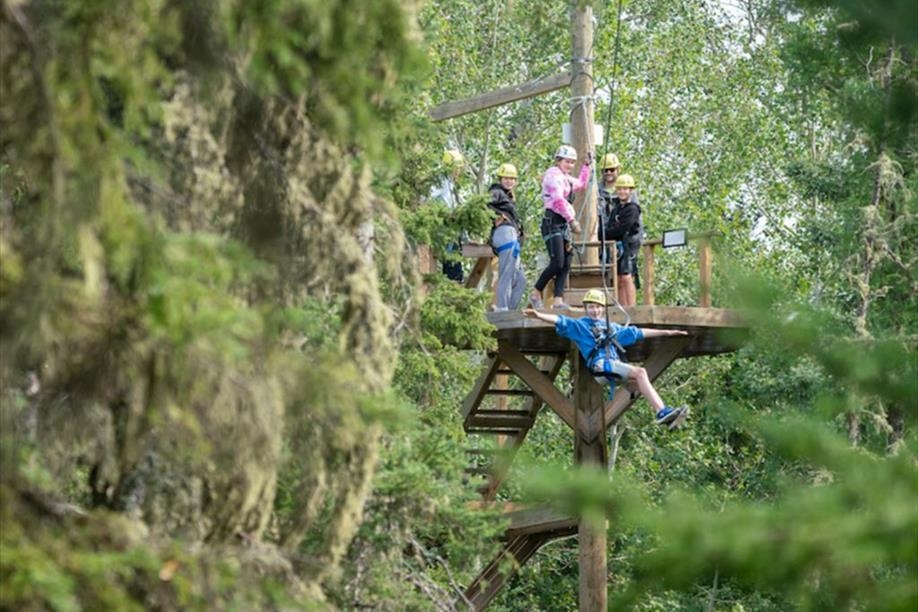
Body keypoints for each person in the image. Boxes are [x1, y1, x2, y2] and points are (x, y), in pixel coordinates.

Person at [523, 288, 689, 428]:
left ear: (603, 309)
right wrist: (538, 315)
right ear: (586, 308)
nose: (595, 311)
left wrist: (668, 332)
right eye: (591, 307)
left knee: (637, 383)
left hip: (611, 369)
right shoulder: (581, 326)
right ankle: (661, 411)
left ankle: (668, 418)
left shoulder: (612, 328)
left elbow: (638, 332)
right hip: (601, 366)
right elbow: (561, 320)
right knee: (641, 373)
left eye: (598, 307)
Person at [529, 145, 592, 310]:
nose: (570, 165)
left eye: (572, 162)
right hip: (553, 222)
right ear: (558, 161)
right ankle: (536, 292)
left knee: (566, 262)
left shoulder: (565, 178)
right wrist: (572, 220)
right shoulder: (553, 176)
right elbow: (558, 201)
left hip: (562, 223)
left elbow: (581, 184)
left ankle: (558, 300)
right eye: (567, 161)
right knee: (557, 262)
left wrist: (586, 166)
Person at [599, 173, 643, 306]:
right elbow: (611, 226)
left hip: (629, 245)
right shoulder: (617, 209)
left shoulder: (632, 209)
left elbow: (622, 229)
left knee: (627, 276)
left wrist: (603, 235)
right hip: (618, 246)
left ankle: (631, 307)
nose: (622, 192)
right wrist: (605, 233)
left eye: (625, 189)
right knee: (618, 278)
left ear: (631, 191)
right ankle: (622, 307)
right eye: (619, 189)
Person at [488, 163, 526, 311]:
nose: (509, 181)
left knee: (520, 279)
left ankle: (509, 310)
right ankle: (502, 307)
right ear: (500, 179)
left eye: (512, 179)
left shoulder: (508, 196)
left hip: (511, 236)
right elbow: (484, 204)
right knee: (507, 272)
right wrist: (497, 216)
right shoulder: (496, 191)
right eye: (506, 178)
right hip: (504, 234)